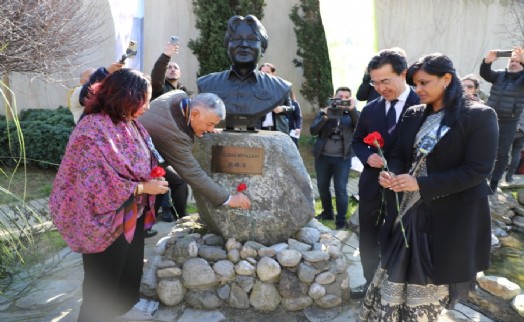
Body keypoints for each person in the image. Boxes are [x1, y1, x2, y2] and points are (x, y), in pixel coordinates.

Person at [358, 53, 498, 321]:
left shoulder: (479, 115)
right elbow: (398, 152)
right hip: (409, 211)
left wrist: (421, 183)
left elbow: (478, 170)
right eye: (415, 84)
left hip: (450, 214)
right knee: (395, 268)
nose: (417, 90)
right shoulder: (414, 114)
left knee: (432, 278)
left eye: (424, 83)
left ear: (447, 79)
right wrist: (392, 173)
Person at [49, 69, 168, 322]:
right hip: (102, 219)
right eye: (144, 99)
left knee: (129, 267)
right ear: (126, 97)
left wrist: (153, 176)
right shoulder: (92, 128)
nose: (147, 106)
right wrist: (143, 188)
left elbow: (143, 158)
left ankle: (124, 308)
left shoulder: (130, 123)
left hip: (130, 212)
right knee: (102, 282)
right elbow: (92, 185)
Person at [351, 48, 420, 299]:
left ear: (403, 74)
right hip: (372, 183)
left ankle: (395, 286)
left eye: (385, 81)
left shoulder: (423, 107)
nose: (379, 88)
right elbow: (357, 141)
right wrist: (367, 156)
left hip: (406, 186)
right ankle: (370, 284)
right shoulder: (370, 109)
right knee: (368, 235)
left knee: (398, 236)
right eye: (375, 82)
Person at [139, 90, 251, 210]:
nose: (211, 129)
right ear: (194, 114)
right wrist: (228, 199)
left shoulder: (179, 96)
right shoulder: (173, 135)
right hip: (134, 176)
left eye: (214, 125)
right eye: (210, 123)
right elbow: (193, 173)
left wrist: (204, 127)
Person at [197, 15, 291, 130]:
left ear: (263, 49)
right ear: (227, 48)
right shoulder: (207, 83)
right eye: (236, 39)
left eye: (252, 39)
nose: (244, 45)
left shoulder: (280, 87)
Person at [149, 42, 191, 226]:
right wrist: (166, 57)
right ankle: (181, 218)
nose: (173, 69)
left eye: (176, 67)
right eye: (170, 67)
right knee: (171, 182)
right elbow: (156, 78)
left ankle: (152, 222)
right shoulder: (159, 89)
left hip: (175, 146)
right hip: (156, 147)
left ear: (180, 74)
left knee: (166, 184)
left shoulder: (184, 94)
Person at [311, 86, 360, 230]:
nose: (343, 100)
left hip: (342, 158)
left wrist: (352, 109)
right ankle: (327, 213)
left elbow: (359, 126)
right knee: (322, 186)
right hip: (323, 157)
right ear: (334, 97)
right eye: (340, 97)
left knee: (341, 189)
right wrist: (325, 116)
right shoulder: (325, 112)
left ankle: (340, 220)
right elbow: (313, 131)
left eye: (346, 97)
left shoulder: (352, 114)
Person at [479, 47, 524, 192]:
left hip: (509, 122)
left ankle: (494, 182)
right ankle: (481, 178)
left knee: (502, 153)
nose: (513, 63)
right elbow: (485, 73)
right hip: (490, 117)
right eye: (512, 60)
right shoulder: (499, 75)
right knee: (483, 147)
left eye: (517, 62)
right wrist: (487, 62)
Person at [258, 62, 300, 141]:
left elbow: (291, 107)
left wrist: (282, 108)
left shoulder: (282, 88)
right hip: (260, 128)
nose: (265, 75)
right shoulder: (255, 88)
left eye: (267, 72)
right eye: (262, 73)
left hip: (278, 128)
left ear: (273, 73)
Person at [506, 112, 524, 182]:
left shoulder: (519, 101)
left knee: (503, 150)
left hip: (515, 127)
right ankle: (509, 177)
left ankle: (493, 176)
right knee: (517, 153)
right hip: (523, 131)